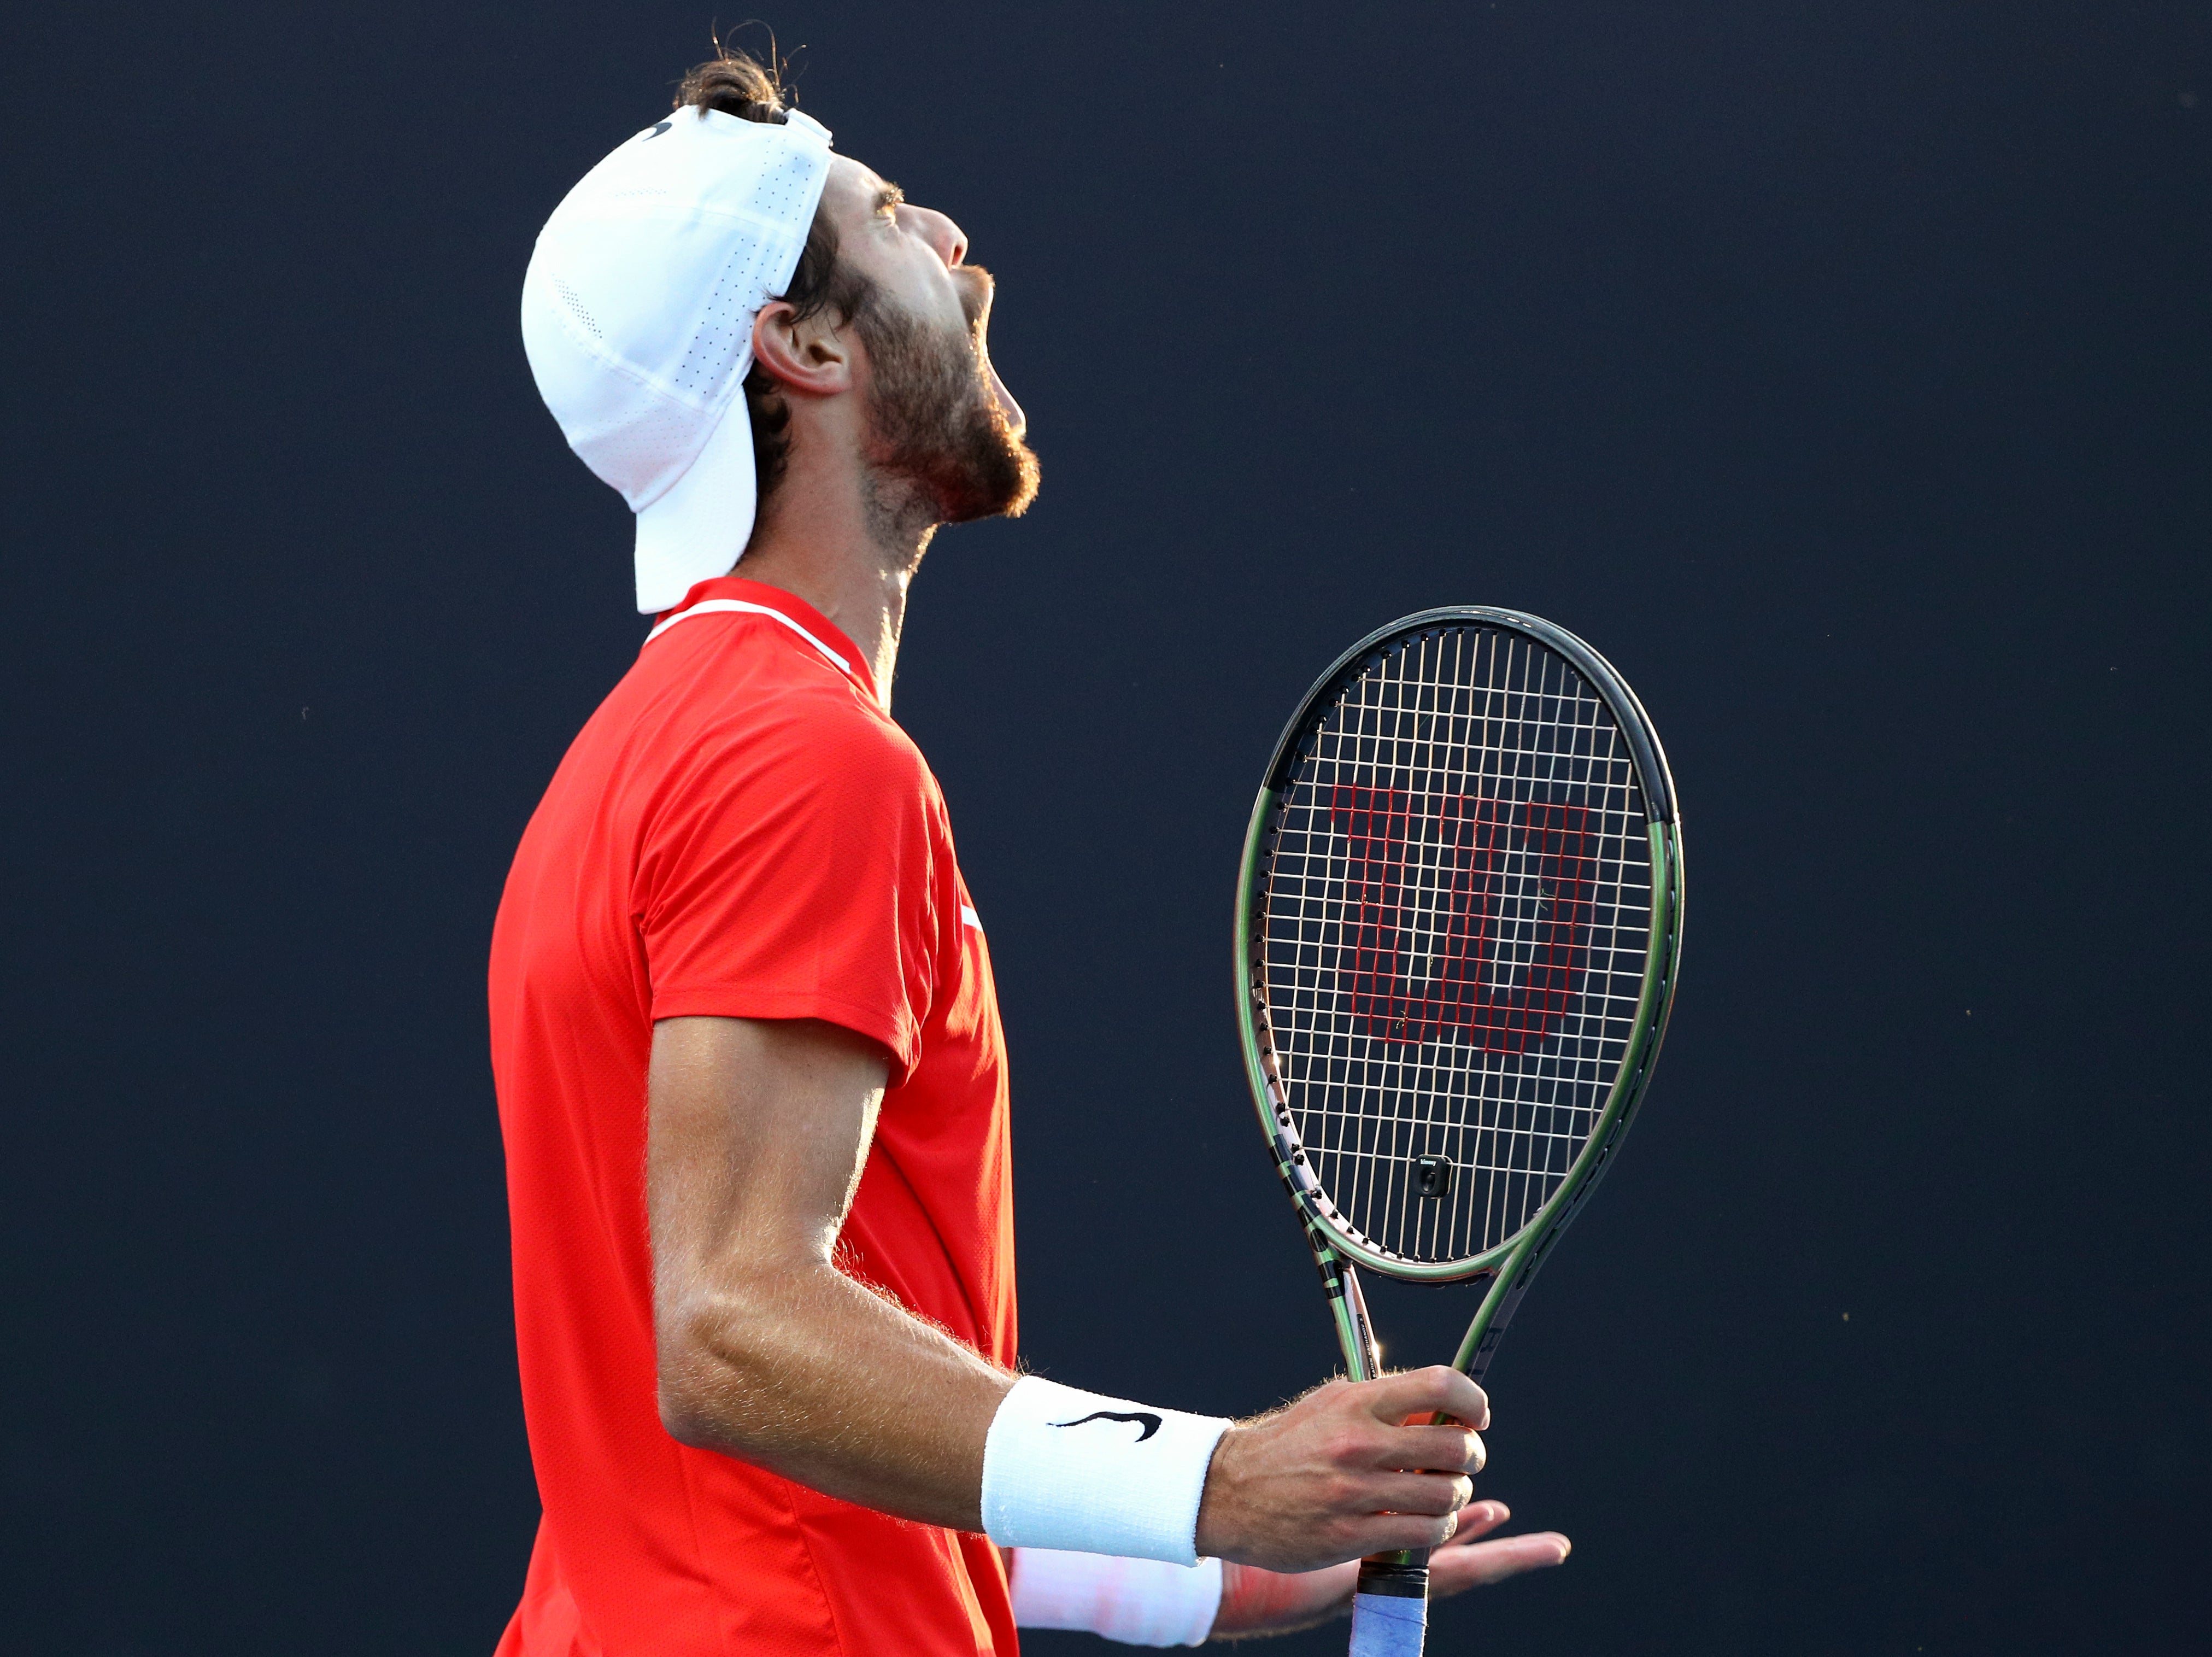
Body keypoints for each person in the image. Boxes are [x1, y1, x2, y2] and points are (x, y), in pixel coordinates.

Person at [491, 47, 1570, 1653]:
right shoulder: (800, 758)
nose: (963, 254)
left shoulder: (639, 755)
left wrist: (1193, 1570)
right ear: (802, 348)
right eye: (895, 224)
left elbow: (722, 1471)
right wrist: (1213, 1477)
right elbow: (729, 1335)